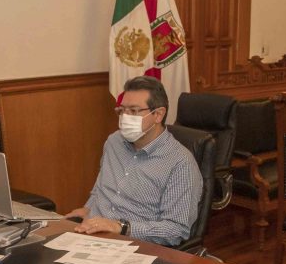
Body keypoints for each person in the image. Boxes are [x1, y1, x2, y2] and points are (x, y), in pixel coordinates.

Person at [66, 76, 202, 246]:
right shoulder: (114, 141)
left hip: (133, 245)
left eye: (133, 111)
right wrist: (88, 209)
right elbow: (101, 189)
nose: (124, 117)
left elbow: (175, 230)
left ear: (158, 114)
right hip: (92, 232)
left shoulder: (180, 163)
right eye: (122, 110)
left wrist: (121, 227)